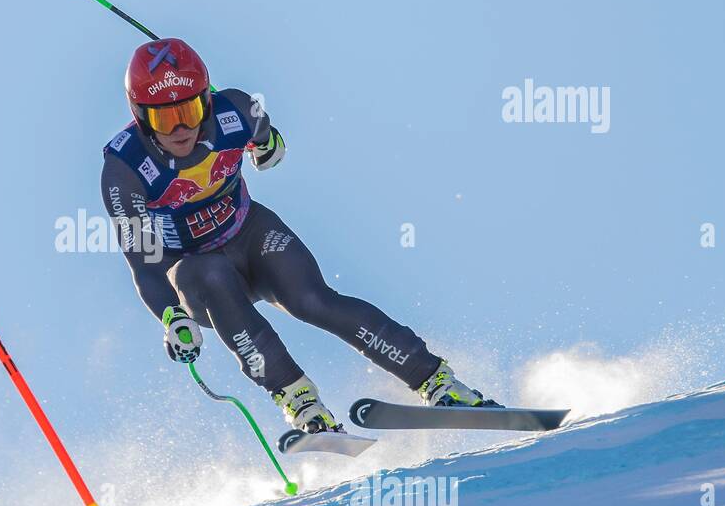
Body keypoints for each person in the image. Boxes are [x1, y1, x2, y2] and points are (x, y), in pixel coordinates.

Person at [101, 38, 492, 435]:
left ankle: (437, 381)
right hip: (199, 273)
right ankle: (300, 400)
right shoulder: (125, 168)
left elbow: (263, 128)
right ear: (140, 116)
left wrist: (269, 143)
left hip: (251, 235)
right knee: (202, 275)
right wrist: (172, 315)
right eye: (166, 119)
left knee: (312, 300)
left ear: (206, 98)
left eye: (190, 109)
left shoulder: (234, 108)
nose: (182, 128)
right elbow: (143, 257)